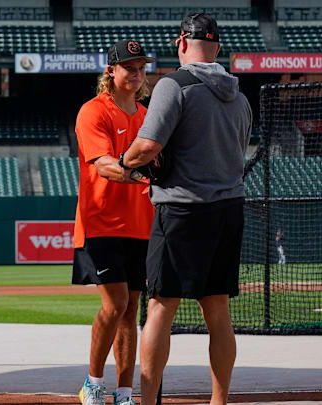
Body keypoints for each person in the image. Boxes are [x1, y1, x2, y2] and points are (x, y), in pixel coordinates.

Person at [118, 12, 252, 405]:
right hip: (229, 208)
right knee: (218, 310)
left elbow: (147, 147)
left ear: (181, 43)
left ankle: (146, 403)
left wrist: (125, 163)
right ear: (218, 48)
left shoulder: (173, 86)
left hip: (182, 211)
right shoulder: (240, 96)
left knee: (160, 306)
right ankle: (219, 401)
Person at [71, 39, 155, 405]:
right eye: (129, 68)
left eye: (141, 68)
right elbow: (103, 164)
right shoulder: (94, 111)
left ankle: (123, 391)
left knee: (132, 308)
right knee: (116, 303)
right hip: (101, 221)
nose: (137, 74)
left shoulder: (147, 115)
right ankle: (92, 382)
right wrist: (136, 173)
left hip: (140, 222)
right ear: (111, 70)